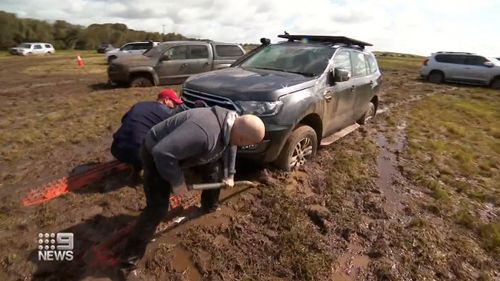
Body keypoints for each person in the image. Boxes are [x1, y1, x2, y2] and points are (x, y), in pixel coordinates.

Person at [118, 106, 265, 275]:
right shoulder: (204, 133)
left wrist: (229, 175)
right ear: (241, 136)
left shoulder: (233, 123)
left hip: (184, 151)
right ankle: (128, 262)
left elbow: (232, 145)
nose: (241, 146)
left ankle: (209, 205)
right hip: (156, 152)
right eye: (244, 143)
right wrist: (178, 183)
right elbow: (162, 153)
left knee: (213, 172)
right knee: (157, 209)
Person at [111, 88, 183, 179]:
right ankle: (154, 177)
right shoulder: (167, 114)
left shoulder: (139, 105)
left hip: (117, 149)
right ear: (166, 100)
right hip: (137, 152)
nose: (175, 106)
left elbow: (124, 120)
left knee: (138, 140)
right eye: (175, 103)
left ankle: (135, 171)